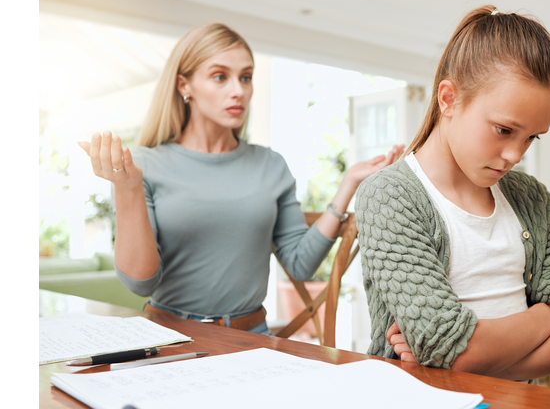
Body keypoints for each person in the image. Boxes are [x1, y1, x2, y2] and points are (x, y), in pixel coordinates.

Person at [78, 23, 403, 335]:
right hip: (169, 338)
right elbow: (140, 284)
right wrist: (128, 187)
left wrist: (348, 185)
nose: (239, 91)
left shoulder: (271, 165)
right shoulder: (142, 166)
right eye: (220, 77)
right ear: (184, 86)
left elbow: (301, 266)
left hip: (252, 337)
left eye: (245, 77)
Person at [355, 6, 550, 382]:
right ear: (448, 99)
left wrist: (473, 362)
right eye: (504, 130)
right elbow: (451, 348)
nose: (516, 155)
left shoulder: (531, 197)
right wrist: (546, 317)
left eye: (532, 136)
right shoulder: (388, 197)